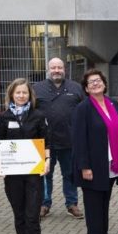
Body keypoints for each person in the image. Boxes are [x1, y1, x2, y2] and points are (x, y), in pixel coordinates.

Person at [71, 69, 118, 234]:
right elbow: (79, 140)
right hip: (93, 166)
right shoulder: (83, 108)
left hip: (112, 165)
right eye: (91, 82)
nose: (95, 84)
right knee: (93, 206)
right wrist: (84, 166)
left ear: (104, 84)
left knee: (105, 202)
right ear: (86, 89)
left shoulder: (114, 104)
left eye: (98, 80)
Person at [0, 78, 50, 234]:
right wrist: (1, 166)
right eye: (17, 93)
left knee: (32, 214)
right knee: (19, 214)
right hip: (13, 175)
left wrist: (47, 161)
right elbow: (0, 144)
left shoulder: (38, 116)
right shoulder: (4, 117)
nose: (21, 96)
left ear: (30, 95)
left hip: (33, 173)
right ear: (11, 94)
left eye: (24, 93)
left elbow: (46, 141)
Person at [33, 57, 85, 219]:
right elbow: (30, 112)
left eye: (59, 67)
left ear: (65, 69)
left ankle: (72, 203)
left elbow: (84, 112)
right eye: (53, 67)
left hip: (69, 140)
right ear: (48, 70)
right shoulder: (37, 88)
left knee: (69, 174)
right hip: (44, 142)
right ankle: (44, 203)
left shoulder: (76, 88)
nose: (56, 70)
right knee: (44, 174)